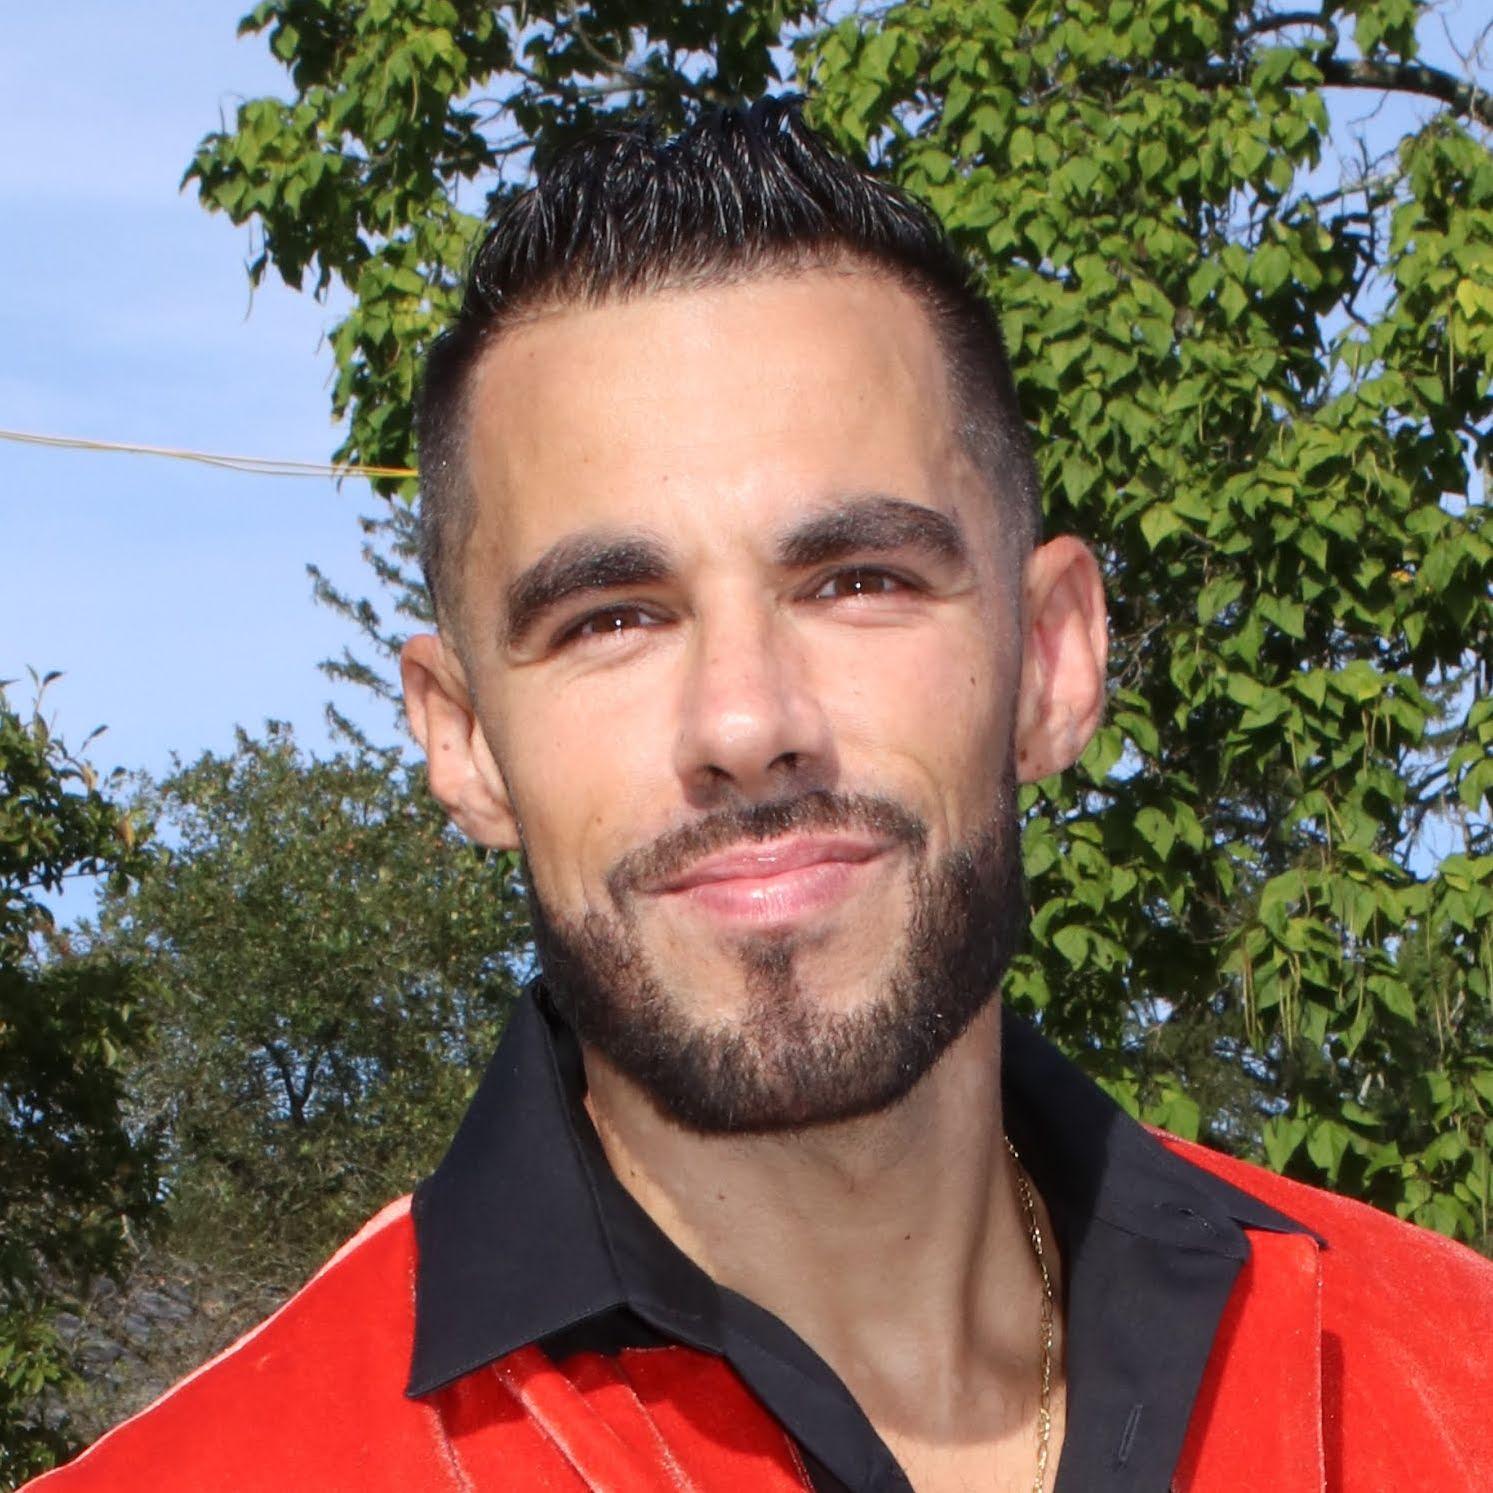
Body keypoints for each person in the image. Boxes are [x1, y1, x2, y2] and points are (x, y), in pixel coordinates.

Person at [32, 98, 1491, 1493]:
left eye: (857, 581)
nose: (744, 722)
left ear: (1050, 659)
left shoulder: (1455, 1381)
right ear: (465, 738)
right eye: (610, 617)